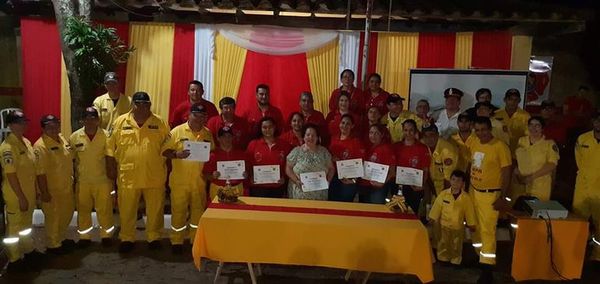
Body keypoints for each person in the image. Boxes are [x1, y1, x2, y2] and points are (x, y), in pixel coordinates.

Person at [106, 92, 170, 253]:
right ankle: (127, 237)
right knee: (127, 209)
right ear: (132, 104)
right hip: (128, 175)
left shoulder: (160, 122)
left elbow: (169, 146)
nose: (142, 107)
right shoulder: (120, 122)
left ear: (150, 104)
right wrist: (111, 168)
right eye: (138, 104)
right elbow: (109, 148)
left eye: (145, 104)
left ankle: (154, 237)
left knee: (155, 209)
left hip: (154, 175)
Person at [162, 103, 214, 254]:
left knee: (198, 213)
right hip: (179, 181)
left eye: (202, 116)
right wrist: (176, 154)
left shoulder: (208, 134)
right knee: (178, 212)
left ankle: (195, 241)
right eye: (196, 115)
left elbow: (213, 153)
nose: (199, 119)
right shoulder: (177, 131)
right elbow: (164, 151)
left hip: (199, 182)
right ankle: (176, 241)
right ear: (189, 115)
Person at [467, 117, 512, 283]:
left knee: (487, 230)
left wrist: (503, 196)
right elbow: (471, 164)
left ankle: (487, 268)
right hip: (474, 191)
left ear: (490, 129)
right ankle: (480, 257)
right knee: (474, 226)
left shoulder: (500, 147)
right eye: (477, 130)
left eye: (483, 130)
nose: (481, 133)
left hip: (490, 195)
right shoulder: (475, 143)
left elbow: (507, 173)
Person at [1, 111, 43, 272]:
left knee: (26, 226)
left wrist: (35, 191)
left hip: (28, 193)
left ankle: (28, 250)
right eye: (19, 122)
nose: (23, 125)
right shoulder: (7, 147)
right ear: (10, 125)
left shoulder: (25, 142)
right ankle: (14, 259)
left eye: (24, 122)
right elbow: (11, 176)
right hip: (16, 195)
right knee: (14, 227)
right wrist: (21, 197)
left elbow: (31, 170)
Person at [69, 107, 114, 248]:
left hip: (103, 181)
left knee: (105, 210)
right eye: (87, 118)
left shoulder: (107, 136)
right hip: (83, 182)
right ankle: (84, 237)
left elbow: (111, 159)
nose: (90, 121)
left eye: (93, 118)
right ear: (83, 120)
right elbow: (70, 159)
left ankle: (106, 236)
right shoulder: (75, 137)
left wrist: (113, 179)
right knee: (83, 210)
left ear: (98, 120)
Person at [34, 114, 75, 254]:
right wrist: (44, 192)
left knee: (67, 214)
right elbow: (40, 172)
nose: (53, 129)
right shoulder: (40, 146)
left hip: (66, 188)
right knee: (53, 219)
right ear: (43, 128)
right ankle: (53, 245)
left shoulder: (62, 139)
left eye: (56, 125)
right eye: (49, 127)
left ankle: (61, 238)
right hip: (52, 190)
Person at [428, 170, 477, 265]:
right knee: (443, 242)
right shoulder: (443, 194)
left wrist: (471, 224)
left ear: (463, 183)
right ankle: (443, 258)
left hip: (457, 226)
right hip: (444, 225)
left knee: (456, 244)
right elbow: (437, 206)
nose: (455, 182)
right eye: (453, 179)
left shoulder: (466, 198)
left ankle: (456, 259)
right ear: (450, 180)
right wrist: (432, 217)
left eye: (458, 181)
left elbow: (469, 211)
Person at [573, 112, 600, 263]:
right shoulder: (583, 138)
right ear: (593, 122)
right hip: (582, 188)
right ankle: (574, 254)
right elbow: (579, 161)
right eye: (597, 120)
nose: (599, 123)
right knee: (578, 222)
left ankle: (597, 256)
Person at [514, 116, 559, 201]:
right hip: (521, 182)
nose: (533, 128)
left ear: (542, 128)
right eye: (531, 125)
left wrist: (532, 177)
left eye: (537, 125)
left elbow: (552, 164)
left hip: (540, 184)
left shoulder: (549, 143)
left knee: (537, 211)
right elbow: (518, 158)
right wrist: (518, 174)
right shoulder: (522, 140)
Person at [286, 124, 334, 200]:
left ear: (318, 138)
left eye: (313, 135)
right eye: (308, 135)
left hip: (319, 194)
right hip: (299, 193)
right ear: (304, 137)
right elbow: (288, 168)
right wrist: (296, 181)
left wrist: (328, 181)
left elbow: (331, 169)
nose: (310, 137)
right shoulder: (296, 151)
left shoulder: (324, 152)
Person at [246, 116, 291, 198]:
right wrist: (250, 177)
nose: (267, 130)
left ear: (275, 127)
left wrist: (284, 177)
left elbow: (289, 165)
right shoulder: (253, 144)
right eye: (264, 127)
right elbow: (247, 164)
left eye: (270, 127)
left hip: (277, 187)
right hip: (258, 188)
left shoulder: (285, 145)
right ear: (260, 129)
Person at [394, 119, 431, 215]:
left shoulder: (422, 148)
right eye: (405, 130)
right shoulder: (396, 147)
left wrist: (421, 185)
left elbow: (425, 169)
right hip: (399, 186)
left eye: (411, 130)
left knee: (412, 212)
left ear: (415, 131)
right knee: (397, 212)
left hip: (415, 186)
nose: (408, 133)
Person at [204, 127, 250, 200]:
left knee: (238, 211)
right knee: (218, 211)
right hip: (218, 188)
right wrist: (212, 176)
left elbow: (248, 172)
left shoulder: (241, 154)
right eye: (223, 137)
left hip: (237, 188)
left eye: (229, 136)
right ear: (218, 138)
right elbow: (205, 175)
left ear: (233, 138)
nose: (226, 139)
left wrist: (246, 174)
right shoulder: (212, 155)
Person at [328, 114, 365, 202]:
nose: (344, 126)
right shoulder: (333, 138)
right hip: (333, 176)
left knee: (345, 203)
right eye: (343, 123)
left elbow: (361, 162)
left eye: (348, 124)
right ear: (339, 124)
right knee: (332, 202)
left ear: (352, 126)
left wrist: (353, 180)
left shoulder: (356, 142)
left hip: (348, 178)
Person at [358, 124, 396, 204]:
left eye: (376, 133)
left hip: (378, 187)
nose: (373, 136)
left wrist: (383, 182)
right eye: (371, 133)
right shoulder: (368, 147)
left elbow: (392, 172)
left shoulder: (387, 149)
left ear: (382, 134)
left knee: (375, 211)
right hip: (365, 185)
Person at [421, 124, 458, 197]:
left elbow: (449, 180)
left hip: (448, 188)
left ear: (437, 135)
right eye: (426, 136)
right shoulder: (424, 146)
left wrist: (442, 197)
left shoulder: (447, 150)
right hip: (433, 187)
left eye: (432, 135)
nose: (429, 139)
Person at [494, 88, 531, 153]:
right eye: (510, 99)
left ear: (519, 101)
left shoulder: (526, 116)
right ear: (505, 100)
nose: (513, 102)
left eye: (515, 100)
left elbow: (528, 136)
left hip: (518, 152)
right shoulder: (496, 114)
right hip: (499, 151)